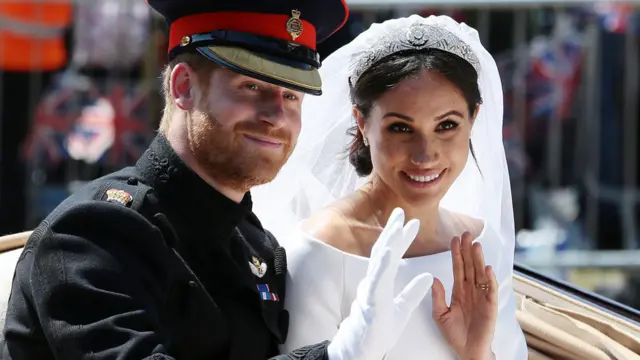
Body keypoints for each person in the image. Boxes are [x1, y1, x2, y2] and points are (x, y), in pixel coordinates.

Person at [0, 1, 436, 359]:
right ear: (183, 86)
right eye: (252, 87)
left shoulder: (256, 246)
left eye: (291, 95)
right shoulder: (93, 236)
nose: (275, 115)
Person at [251, 14, 529, 359]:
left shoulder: (480, 243)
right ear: (362, 123)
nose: (425, 154)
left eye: (446, 125)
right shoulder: (322, 251)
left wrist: (476, 353)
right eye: (401, 128)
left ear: (473, 118)